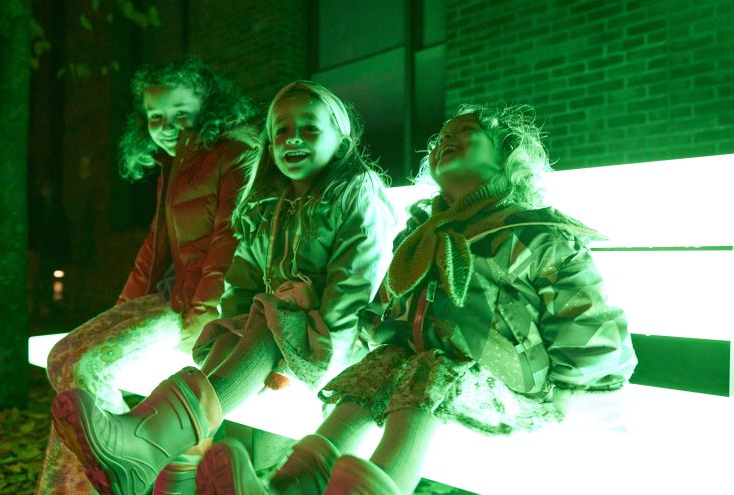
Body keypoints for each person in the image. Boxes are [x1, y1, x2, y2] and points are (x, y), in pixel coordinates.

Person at [195, 104, 639, 494]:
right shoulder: (422, 234)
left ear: (508, 155)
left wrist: (587, 393)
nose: (449, 139)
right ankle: (291, 484)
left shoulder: (534, 233)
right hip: (423, 371)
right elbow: (387, 306)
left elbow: (583, 314)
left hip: (508, 391)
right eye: (443, 136)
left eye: (466, 133)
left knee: (429, 369)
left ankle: (375, 487)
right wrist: (377, 333)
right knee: (376, 371)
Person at [49, 80, 396, 495]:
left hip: (337, 344)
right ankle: (172, 472)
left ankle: (149, 444)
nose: (293, 139)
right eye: (281, 130)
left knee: (268, 326)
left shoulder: (355, 194)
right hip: (270, 335)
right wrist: (234, 326)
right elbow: (242, 283)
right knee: (231, 342)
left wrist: (306, 358)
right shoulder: (267, 203)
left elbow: (353, 293)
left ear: (341, 139)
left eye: (309, 128)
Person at [35, 57, 257, 495]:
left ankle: (108, 476)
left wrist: (203, 312)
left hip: (195, 305)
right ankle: (112, 475)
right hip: (167, 298)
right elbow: (155, 249)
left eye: (181, 113)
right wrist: (121, 309)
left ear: (210, 109)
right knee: (60, 355)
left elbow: (229, 240)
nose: (168, 125)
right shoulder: (176, 166)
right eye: (157, 117)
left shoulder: (234, 154)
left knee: (88, 366)